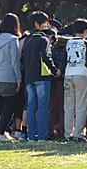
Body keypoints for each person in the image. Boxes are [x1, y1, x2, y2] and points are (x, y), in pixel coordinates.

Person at [21, 11, 59, 141]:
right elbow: (46, 57)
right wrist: (54, 70)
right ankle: (42, 135)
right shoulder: (44, 40)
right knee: (43, 107)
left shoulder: (27, 40)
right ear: (37, 24)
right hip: (42, 77)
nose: (47, 26)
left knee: (31, 106)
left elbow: (23, 60)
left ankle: (31, 135)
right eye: (44, 23)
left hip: (29, 77)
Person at [64, 19, 87, 142]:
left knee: (68, 106)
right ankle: (77, 133)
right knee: (81, 105)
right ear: (86, 31)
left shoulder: (67, 43)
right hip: (81, 74)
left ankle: (67, 133)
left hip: (68, 74)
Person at [0, 13, 22, 141]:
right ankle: (1, 132)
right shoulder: (13, 40)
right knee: (9, 106)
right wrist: (19, 79)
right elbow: (15, 62)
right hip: (9, 77)